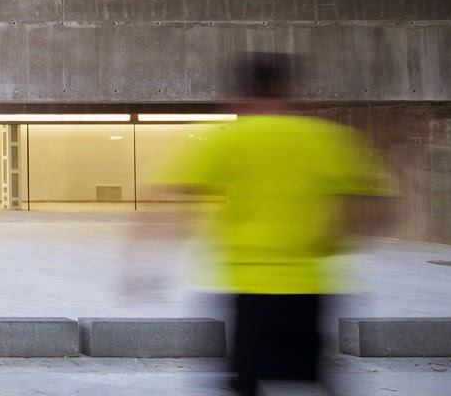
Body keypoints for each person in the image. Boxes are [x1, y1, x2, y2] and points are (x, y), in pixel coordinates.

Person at [164, 52, 392, 396]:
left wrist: (142, 264)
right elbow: (380, 204)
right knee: (307, 379)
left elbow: (176, 196)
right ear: (289, 91)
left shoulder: (229, 139)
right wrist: (340, 239)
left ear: (244, 94)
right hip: (310, 284)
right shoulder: (328, 138)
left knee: (247, 380)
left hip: (250, 284)